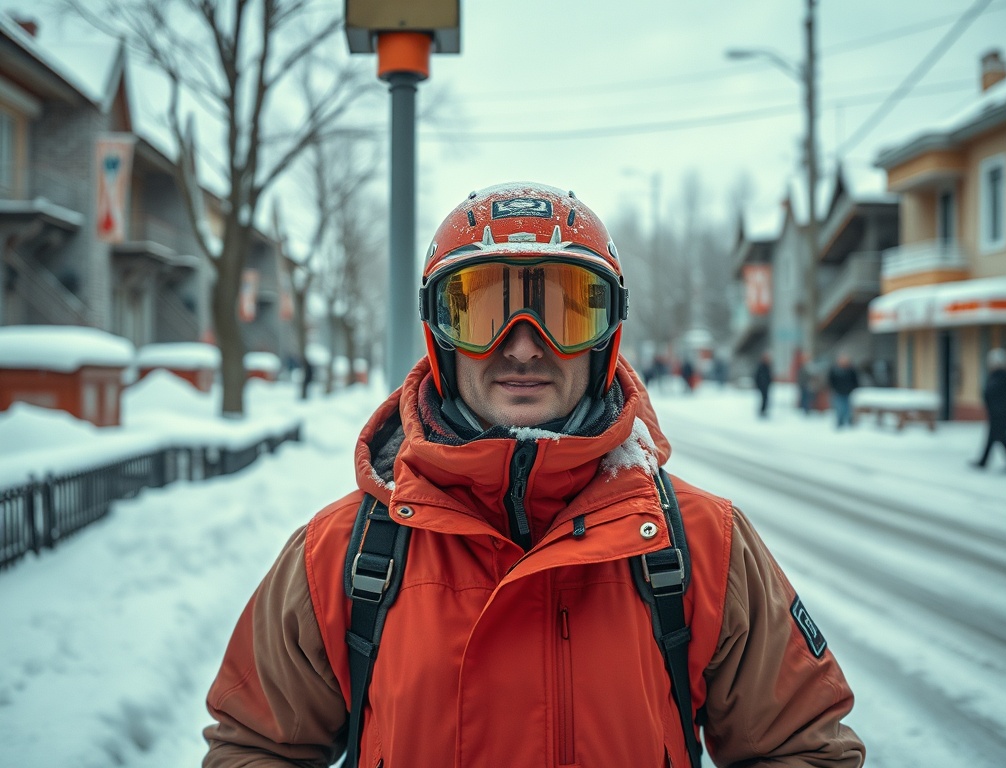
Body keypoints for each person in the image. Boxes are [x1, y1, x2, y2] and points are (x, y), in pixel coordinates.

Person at [202, 183, 864, 768]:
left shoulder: (702, 545)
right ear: (442, 334)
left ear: (606, 336)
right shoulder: (339, 555)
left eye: (566, 309)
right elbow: (256, 746)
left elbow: (802, 747)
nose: (522, 343)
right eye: (484, 311)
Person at [971, 347, 1006, 471]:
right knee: (995, 437)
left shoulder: (1002, 376)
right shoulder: (998, 376)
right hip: (997, 412)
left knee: (999, 437)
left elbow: (992, 392)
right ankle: (985, 461)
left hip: (1000, 413)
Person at [828, 354, 859, 428]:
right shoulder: (835, 370)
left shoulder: (851, 370)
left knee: (848, 408)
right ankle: (840, 422)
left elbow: (855, 380)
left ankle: (849, 422)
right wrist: (833, 388)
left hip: (848, 392)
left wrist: (853, 388)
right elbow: (831, 380)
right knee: (839, 408)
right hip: (838, 392)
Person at [754, 351, 772, 418]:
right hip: (762, 386)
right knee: (764, 399)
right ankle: (762, 411)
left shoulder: (767, 366)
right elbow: (758, 376)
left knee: (766, 399)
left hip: (766, 385)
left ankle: (764, 410)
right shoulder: (761, 366)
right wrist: (759, 384)